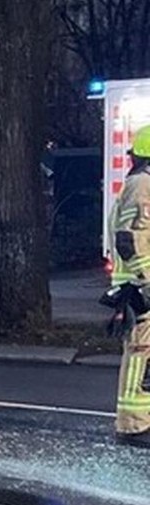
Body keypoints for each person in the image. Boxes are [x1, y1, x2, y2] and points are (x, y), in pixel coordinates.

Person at [110, 127, 150, 448]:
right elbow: (129, 239)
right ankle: (134, 426)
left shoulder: (139, 183)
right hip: (141, 289)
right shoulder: (143, 185)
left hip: (139, 286)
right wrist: (147, 282)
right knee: (141, 354)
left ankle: (139, 422)